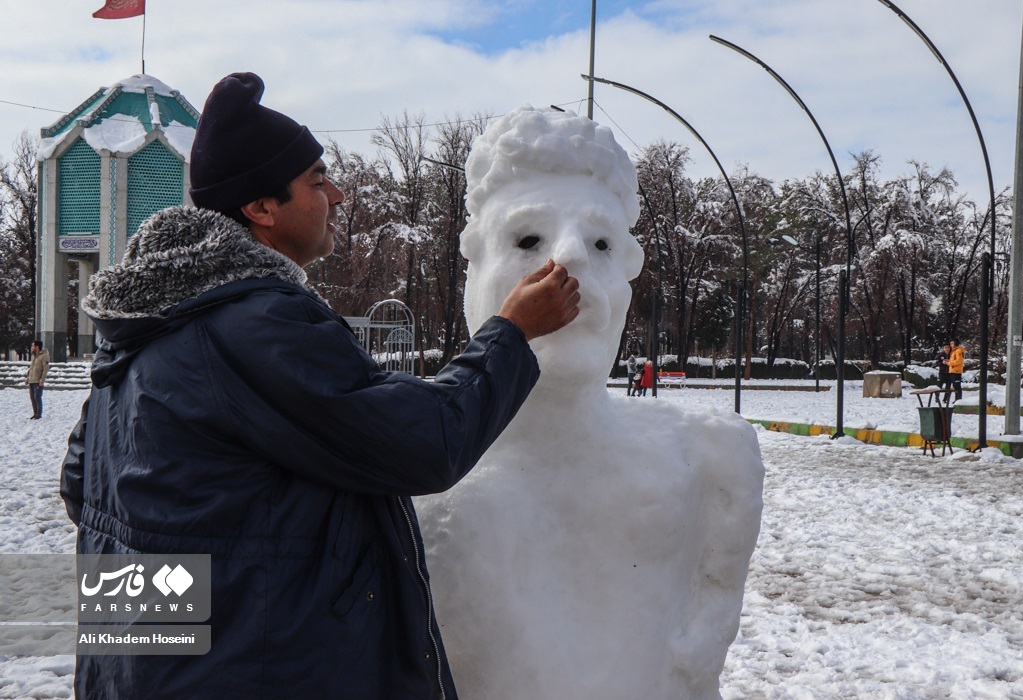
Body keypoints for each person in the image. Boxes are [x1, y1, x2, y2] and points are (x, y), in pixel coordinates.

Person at [59, 73, 579, 700]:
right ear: (261, 208)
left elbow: (81, 487)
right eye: (316, 180)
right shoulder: (254, 324)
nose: (338, 192)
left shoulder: (149, 322)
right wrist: (513, 332)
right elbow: (426, 441)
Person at [417, 106, 764, 699]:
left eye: (601, 243)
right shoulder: (395, 455)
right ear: (473, 263)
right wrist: (191, 629)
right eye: (528, 239)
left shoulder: (708, 463)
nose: (569, 257)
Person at [25, 339, 49, 419]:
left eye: (33, 346)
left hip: (38, 381)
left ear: (37, 347)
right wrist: (28, 378)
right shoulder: (34, 356)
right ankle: (35, 413)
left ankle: (39, 414)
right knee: (32, 398)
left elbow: (45, 368)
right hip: (32, 379)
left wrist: (42, 380)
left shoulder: (44, 356)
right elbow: (31, 368)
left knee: (37, 397)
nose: (32, 347)